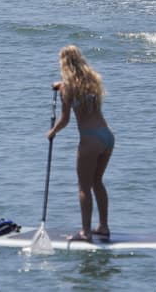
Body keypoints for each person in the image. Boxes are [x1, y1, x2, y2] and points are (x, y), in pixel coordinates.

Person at [45, 45, 114, 244]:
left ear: (64, 64)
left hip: (90, 139)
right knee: (97, 182)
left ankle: (86, 232)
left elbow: (65, 119)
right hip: (107, 136)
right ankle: (103, 226)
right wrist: (60, 85)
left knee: (84, 187)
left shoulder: (68, 89)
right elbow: (80, 92)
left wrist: (52, 132)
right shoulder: (93, 80)